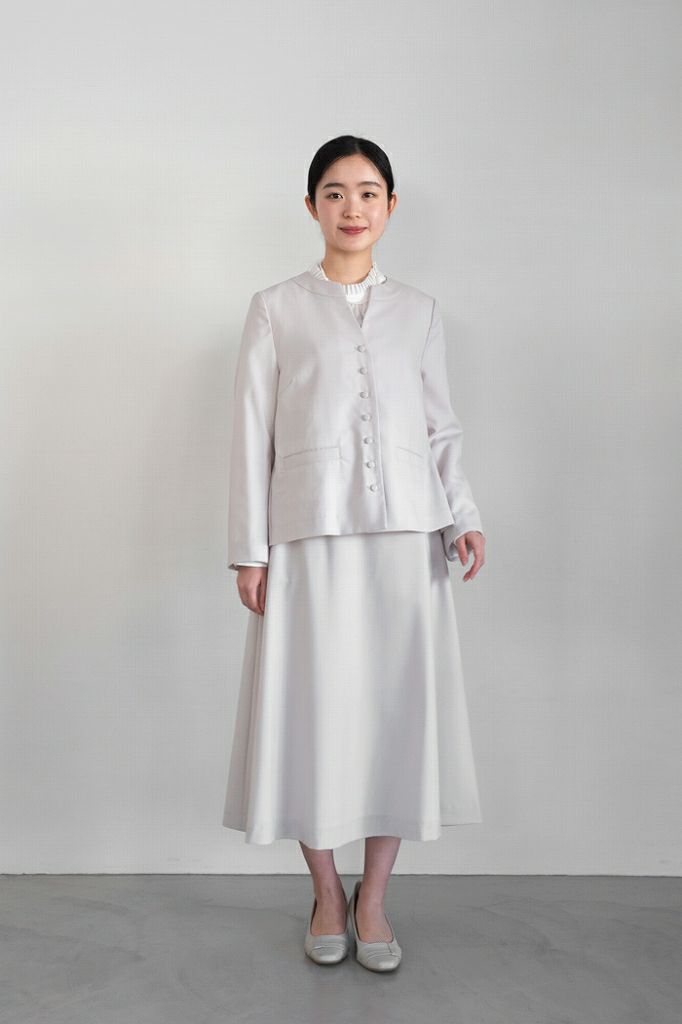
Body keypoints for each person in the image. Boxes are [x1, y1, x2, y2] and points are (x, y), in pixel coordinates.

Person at [222, 135, 486, 971]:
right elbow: (251, 433)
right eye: (335, 193)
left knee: (395, 714)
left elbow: (440, 428)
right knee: (313, 711)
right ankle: (325, 892)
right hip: (308, 537)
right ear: (312, 206)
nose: (352, 208)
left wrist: (462, 515)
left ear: (391, 206)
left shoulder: (420, 311)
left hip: (407, 536)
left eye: (369, 192)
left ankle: (372, 899)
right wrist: (250, 551)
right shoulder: (276, 307)